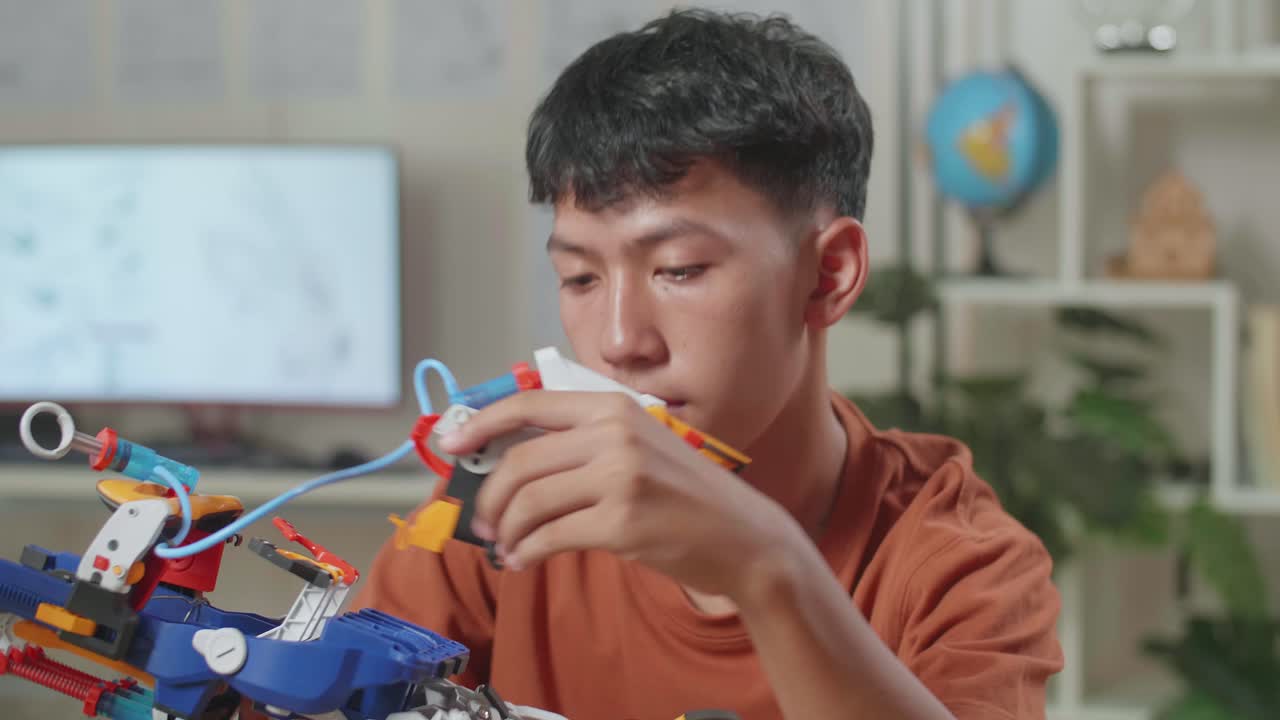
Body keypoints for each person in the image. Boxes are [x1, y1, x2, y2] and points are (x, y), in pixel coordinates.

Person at [352, 9, 1064, 720]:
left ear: (828, 276)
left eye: (680, 269)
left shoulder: (957, 564)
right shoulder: (507, 512)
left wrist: (767, 570)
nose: (621, 340)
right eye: (580, 279)